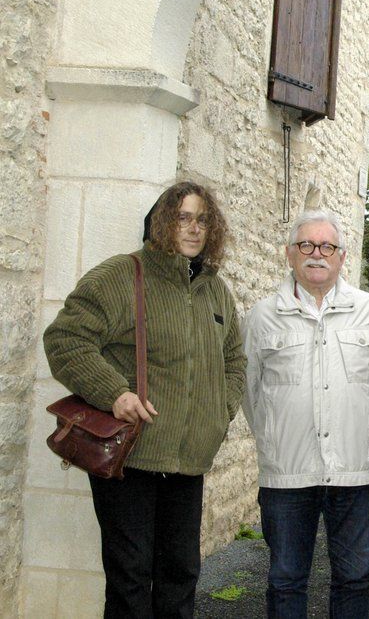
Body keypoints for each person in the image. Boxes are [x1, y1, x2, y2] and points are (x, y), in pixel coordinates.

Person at [43, 181, 245, 618]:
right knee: (130, 578)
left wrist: (221, 410)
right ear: (161, 222)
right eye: (183, 217)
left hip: (189, 460)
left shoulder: (215, 290)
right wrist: (114, 392)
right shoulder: (121, 275)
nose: (194, 229)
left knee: (180, 574)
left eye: (203, 219)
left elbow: (234, 360)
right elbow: (65, 340)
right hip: (132, 456)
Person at [242, 210, 369, 618]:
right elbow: (251, 392)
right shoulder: (262, 316)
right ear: (290, 254)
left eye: (327, 246)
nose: (317, 254)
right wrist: (277, 436)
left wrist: (354, 428)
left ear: (342, 256)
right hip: (287, 472)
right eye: (306, 245)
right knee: (286, 579)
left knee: (355, 576)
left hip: (354, 472)